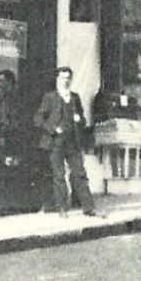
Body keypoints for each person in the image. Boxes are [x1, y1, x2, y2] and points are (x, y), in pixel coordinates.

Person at [33, 66, 100, 218]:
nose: (66, 81)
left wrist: (79, 120)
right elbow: (38, 119)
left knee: (79, 174)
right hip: (56, 142)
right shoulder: (50, 97)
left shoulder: (75, 98)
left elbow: (82, 119)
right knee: (59, 175)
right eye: (63, 78)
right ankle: (62, 208)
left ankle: (88, 208)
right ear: (58, 79)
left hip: (73, 142)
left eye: (68, 78)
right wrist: (53, 128)